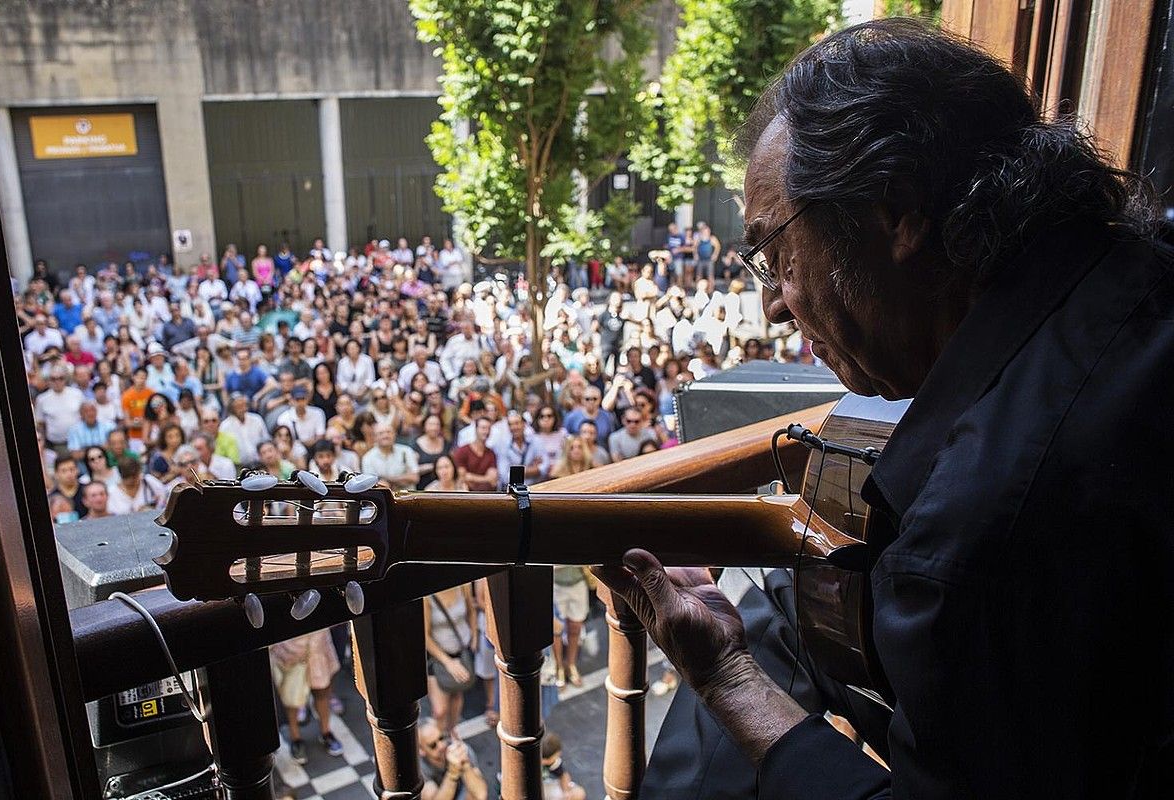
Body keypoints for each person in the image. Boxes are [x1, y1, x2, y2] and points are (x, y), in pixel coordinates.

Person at [596, 18, 1173, 799]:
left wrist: (723, 673)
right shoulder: (1135, 278)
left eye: (776, 255)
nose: (773, 306)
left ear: (897, 211)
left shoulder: (975, 536)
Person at [269, 631, 344, 765]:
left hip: (319, 645)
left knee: (322, 693)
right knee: (292, 700)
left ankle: (326, 733)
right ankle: (296, 739)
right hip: (290, 648)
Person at [422, 584, 478, 735]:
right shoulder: (427, 597)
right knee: (440, 710)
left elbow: (471, 611)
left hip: (461, 651)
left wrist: (474, 637)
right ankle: (438, 739)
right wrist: (448, 662)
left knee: (456, 695)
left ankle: (451, 732)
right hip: (438, 657)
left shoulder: (463, 585)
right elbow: (424, 636)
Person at [413, 718, 488, 800]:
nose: (441, 746)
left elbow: (481, 795)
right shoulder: (419, 768)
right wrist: (452, 774)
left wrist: (465, 764)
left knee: (473, 792)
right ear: (421, 750)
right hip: (440, 795)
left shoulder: (458, 748)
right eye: (433, 745)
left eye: (441, 738)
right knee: (429, 794)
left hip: (461, 794)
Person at [34, 365, 86, 450]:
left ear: (65, 379)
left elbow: (85, 415)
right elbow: (40, 423)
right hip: (56, 444)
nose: (57, 381)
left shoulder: (77, 394)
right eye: (53, 379)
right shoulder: (42, 399)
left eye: (60, 378)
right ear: (49, 380)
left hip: (79, 440)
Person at [360, 422, 419, 489]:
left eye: (389, 432)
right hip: (383, 498)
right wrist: (403, 478)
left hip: (407, 497)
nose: (385, 436)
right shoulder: (368, 458)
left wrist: (386, 479)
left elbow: (414, 478)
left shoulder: (406, 451)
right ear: (374, 437)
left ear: (395, 434)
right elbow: (371, 484)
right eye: (381, 433)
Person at [450, 417, 497, 492]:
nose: (486, 431)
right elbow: (463, 477)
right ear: (476, 429)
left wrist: (472, 477)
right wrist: (486, 478)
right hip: (467, 496)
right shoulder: (462, 451)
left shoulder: (491, 453)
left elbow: (493, 480)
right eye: (483, 428)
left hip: (488, 497)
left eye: (489, 428)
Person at [540, 732, 586, 800]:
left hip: (543, 785)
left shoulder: (551, 761)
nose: (558, 757)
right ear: (545, 760)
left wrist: (566, 792)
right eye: (555, 756)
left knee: (579, 793)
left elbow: (563, 775)